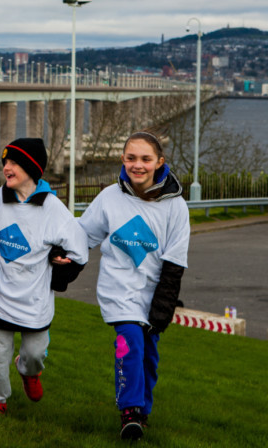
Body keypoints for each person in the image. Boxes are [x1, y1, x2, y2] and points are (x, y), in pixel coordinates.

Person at [76, 131, 189, 440]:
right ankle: (129, 413)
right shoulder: (109, 198)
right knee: (130, 343)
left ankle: (143, 412)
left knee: (148, 357)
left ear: (159, 162)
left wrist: (163, 308)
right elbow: (81, 237)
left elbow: (175, 264)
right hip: (118, 292)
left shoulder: (176, 207)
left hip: (153, 295)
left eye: (145, 159)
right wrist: (60, 260)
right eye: (131, 158)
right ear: (122, 160)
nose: (137, 165)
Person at [0, 138, 89, 416]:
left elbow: (79, 249)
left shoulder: (53, 209)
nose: (6, 168)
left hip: (35, 303)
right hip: (0, 297)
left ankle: (28, 372)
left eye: (14, 163)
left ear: (32, 168)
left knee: (34, 354)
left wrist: (61, 257)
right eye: (4, 162)